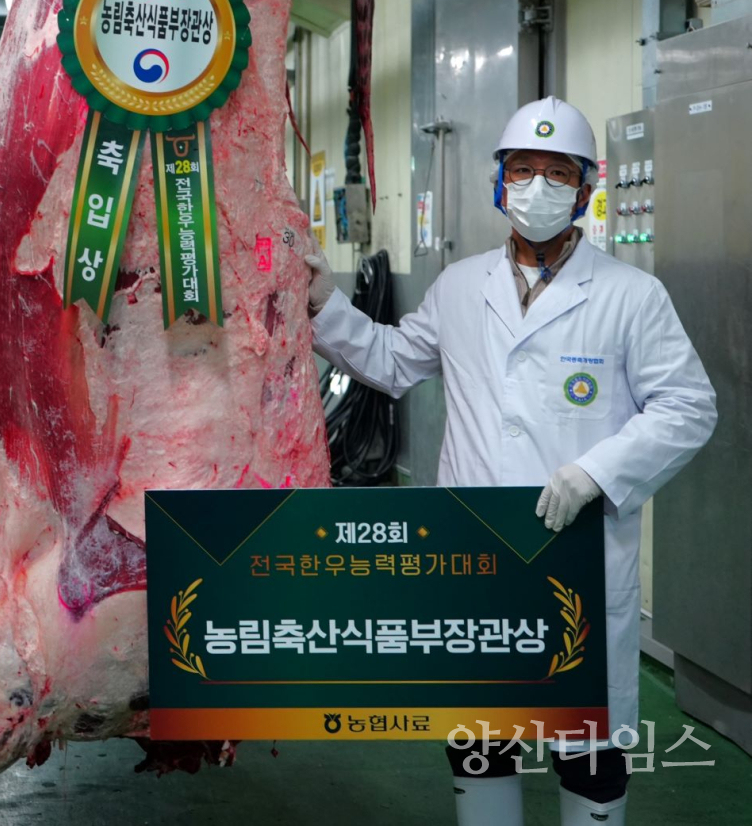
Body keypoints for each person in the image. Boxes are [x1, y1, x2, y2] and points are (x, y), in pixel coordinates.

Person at [306, 97, 717, 826]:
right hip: (476, 556)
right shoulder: (462, 287)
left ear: (586, 189)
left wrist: (597, 471)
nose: (537, 187)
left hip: (577, 557)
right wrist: (320, 304)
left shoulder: (631, 295)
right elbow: (395, 360)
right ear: (499, 182)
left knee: (587, 746)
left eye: (557, 173)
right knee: (480, 740)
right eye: (522, 169)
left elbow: (688, 406)